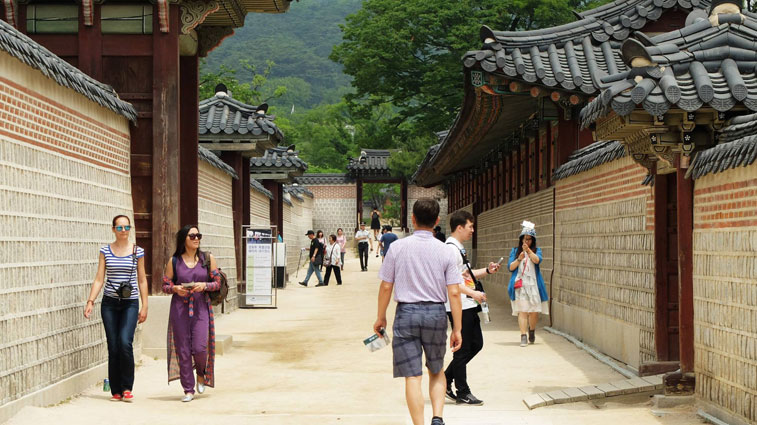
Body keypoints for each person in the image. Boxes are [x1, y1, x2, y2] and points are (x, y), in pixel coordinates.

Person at [374, 198, 463, 425]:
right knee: (436, 369)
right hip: (435, 314)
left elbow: (386, 286)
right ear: (437, 221)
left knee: (412, 376)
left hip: (406, 314)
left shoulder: (397, 248)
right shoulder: (445, 251)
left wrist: (381, 316)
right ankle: (437, 418)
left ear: (412, 219)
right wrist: (457, 329)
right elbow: (453, 293)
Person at [84, 215, 148, 402]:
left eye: (126, 227)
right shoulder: (105, 251)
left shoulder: (138, 251)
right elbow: (99, 279)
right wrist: (90, 301)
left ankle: (127, 387)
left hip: (130, 303)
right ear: (113, 229)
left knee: (124, 342)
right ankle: (116, 390)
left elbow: (142, 279)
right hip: (110, 303)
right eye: (119, 228)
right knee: (113, 346)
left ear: (130, 229)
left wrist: (145, 306)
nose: (123, 231)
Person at [443, 210, 500, 405]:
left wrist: (487, 270)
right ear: (459, 227)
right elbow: (449, 282)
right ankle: (462, 391)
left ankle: (445, 378)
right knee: (463, 349)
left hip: (467, 304)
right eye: (470, 227)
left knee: (476, 344)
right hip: (459, 305)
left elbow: (465, 276)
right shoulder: (450, 249)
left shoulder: (458, 248)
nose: (472, 231)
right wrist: (473, 294)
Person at [161, 225, 223, 402]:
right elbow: (164, 285)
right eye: (192, 236)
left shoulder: (207, 258)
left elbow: (218, 282)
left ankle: (201, 374)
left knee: (200, 348)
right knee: (183, 350)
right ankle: (188, 389)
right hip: (179, 309)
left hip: (201, 307)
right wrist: (175, 288)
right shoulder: (174, 261)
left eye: (198, 235)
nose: (196, 238)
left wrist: (205, 286)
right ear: (184, 239)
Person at [507, 222, 549, 347]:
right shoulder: (515, 251)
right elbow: (510, 267)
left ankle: (532, 330)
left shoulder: (537, 251)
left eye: (529, 239)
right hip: (520, 285)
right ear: (521, 239)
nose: (527, 241)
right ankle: (523, 335)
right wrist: (519, 258)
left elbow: (537, 260)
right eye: (525, 239)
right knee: (523, 311)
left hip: (534, 286)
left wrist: (529, 251)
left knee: (534, 311)